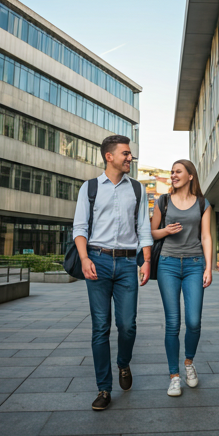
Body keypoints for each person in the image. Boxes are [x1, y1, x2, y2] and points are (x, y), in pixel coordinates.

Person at [73, 135, 152, 411]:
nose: (131, 158)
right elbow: (80, 228)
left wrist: (146, 260)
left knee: (128, 325)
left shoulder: (138, 189)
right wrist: (84, 258)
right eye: (126, 154)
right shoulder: (90, 188)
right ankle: (104, 389)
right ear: (110, 156)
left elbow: (144, 229)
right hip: (97, 261)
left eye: (130, 154)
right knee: (101, 327)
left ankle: (123, 363)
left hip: (129, 263)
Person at [151, 159, 212, 397]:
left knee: (194, 321)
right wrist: (166, 231)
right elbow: (150, 232)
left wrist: (208, 267)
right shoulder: (163, 201)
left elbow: (206, 236)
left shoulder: (202, 203)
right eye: (171, 172)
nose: (173, 175)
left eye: (178, 172)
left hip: (195, 264)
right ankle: (174, 376)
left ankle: (189, 362)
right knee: (173, 322)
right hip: (167, 264)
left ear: (190, 176)